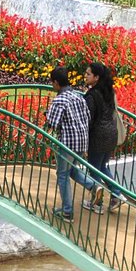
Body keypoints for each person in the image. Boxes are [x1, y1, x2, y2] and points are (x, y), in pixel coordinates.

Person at [45, 66, 93, 223]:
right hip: (81, 141)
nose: (52, 86)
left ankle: (67, 211)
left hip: (67, 143)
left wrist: (47, 115)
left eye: (52, 83)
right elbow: (87, 116)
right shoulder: (78, 96)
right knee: (71, 170)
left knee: (63, 175)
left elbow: (52, 122)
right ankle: (94, 187)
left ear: (57, 83)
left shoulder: (60, 100)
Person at [83, 62, 122, 214]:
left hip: (98, 136)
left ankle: (97, 203)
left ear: (96, 77)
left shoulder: (92, 96)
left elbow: (88, 118)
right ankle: (116, 194)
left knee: (94, 169)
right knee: (102, 167)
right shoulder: (108, 92)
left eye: (88, 74)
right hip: (111, 133)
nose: (85, 76)